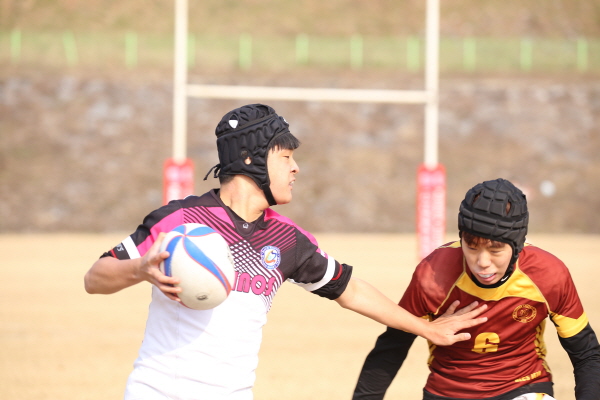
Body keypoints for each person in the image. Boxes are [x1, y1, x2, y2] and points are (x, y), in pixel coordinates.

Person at [84, 103, 487, 400]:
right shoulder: (180, 221)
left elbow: (350, 290)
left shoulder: (288, 240)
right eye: (287, 158)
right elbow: (95, 278)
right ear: (250, 159)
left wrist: (427, 328)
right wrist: (141, 269)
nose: (296, 169)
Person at [352, 178, 600, 400]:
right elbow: (392, 346)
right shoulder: (433, 274)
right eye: (471, 247)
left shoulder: (548, 275)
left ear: (517, 246)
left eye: (495, 250)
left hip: (523, 387)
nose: (482, 262)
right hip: (447, 392)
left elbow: (586, 353)